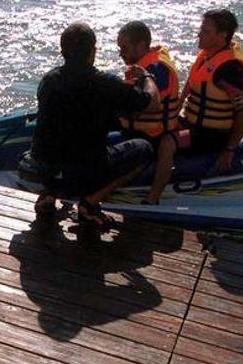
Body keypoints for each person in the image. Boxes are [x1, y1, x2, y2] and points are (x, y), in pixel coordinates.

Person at [27, 21, 161, 228]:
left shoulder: (48, 80)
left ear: (63, 52)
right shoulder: (104, 84)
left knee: (62, 144)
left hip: (42, 167)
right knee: (144, 148)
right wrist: (147, 76)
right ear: (92, 51)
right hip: (82, 173)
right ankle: (90, 203)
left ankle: (49, 194)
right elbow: (152, 103)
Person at [116, 21, 182, 205]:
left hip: (154, 134)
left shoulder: (157, 70)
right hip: (140, 128)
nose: (121, 53)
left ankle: (153, 197)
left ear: (142, 45)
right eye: (119, 48)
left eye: (125, 48)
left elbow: (144, 104)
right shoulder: (141, 66)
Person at [180, 9, 243, 173]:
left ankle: (152, 195)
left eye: (205, 32)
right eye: (201, 30)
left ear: (222, 35)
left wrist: (229, 150)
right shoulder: (207, 56)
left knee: (165, 142)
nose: (199, 35)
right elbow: (191, 85)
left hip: (213, 136)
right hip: (194, 126)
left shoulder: (229, 69)